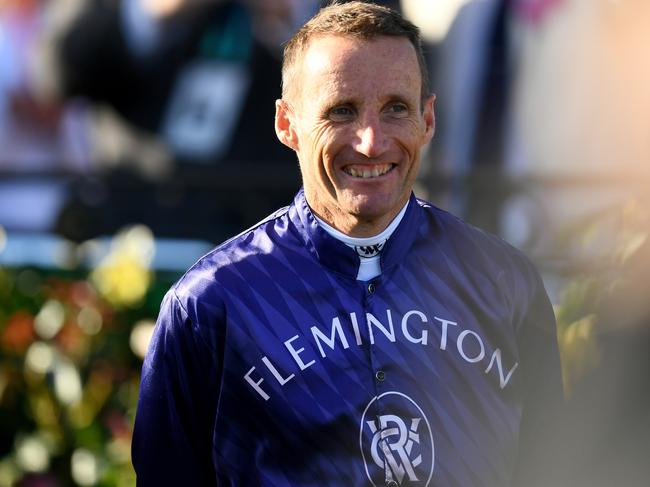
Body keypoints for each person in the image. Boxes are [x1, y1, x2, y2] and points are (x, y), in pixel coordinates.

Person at [132, 2, 563, 486]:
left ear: (429, 120)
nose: (371, 141)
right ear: (287, 124)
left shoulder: (505, 284)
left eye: (396, 108)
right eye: (342, 111)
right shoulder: (210, 306)